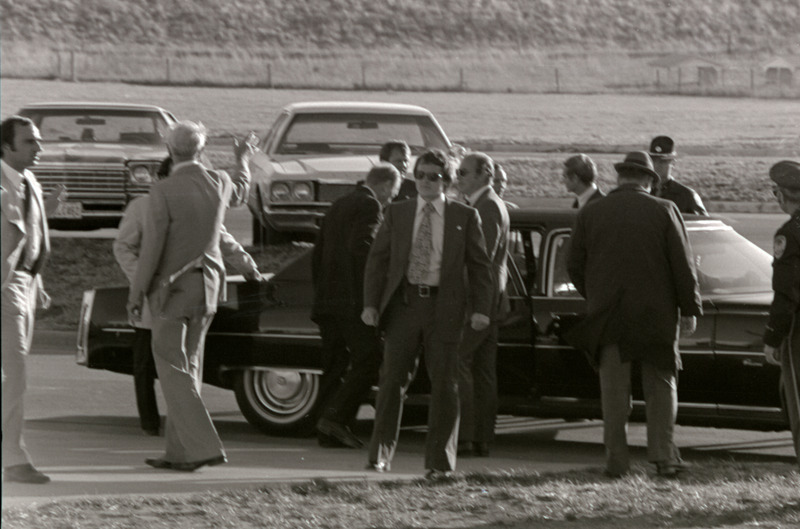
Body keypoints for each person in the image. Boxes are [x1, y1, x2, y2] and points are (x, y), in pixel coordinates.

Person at [127, 121, 256, 472]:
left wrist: (137, 293)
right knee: (189, 368)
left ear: (170, 150)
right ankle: (179, 452)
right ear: (201, 151)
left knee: (171, 368)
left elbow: (152, 249)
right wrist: (241, 158)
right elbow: (242, 190)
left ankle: (200, 447)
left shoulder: (163, 191)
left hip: (172, 290)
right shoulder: (221, 182)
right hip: (210, 288)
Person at [566, 151, 702, 478]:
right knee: (660, 387)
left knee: (614, 394)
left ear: (620, 178)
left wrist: (596, 294)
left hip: (608, 315)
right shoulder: (664, 210)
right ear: (648, 181)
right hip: (656, 315)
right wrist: (689, 307)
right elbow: (682, 266)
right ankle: (664, 458)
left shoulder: (591, 212)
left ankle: (616, 462)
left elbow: (573, 266)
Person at [361, 148, 493, 477]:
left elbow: (480, 267)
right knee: (391, 381)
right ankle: (379, 456)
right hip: (405, 305)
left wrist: (481, 309)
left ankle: (439, 463)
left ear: (446, 181)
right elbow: (377, 261)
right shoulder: (398, 212)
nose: (425, 182)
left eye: (433, 177)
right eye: (419, 175)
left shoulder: (464, 216)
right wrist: (370, 304)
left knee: (446, 385)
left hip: (444, 308)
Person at [312, 163, 402, 449]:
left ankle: (327, 428)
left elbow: (318, 252)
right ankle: (335, 419)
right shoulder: (370, 206)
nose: (390, 200)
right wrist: (373, 295)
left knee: (335, 363)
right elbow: (363, 248)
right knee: (369, 359)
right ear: (386, 186)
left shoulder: (338, 204)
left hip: (327, 299)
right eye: (393, 193)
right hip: (352, 301)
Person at [1, 116, 66, 484]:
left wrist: (36, 283)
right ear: (6, 146)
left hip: (24, 284)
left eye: (38, 141)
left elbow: (28, 232)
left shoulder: (29, 181)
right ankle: (13, 460)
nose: (38, 148)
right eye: (29, 142)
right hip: (4, 288)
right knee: (14, 375)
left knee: (10, 375)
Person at [455, 153, 510, 458]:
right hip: (489, 300)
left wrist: (474, 306)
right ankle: (480, 438)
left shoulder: (487, 206)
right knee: (482, 370)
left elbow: (480, 260)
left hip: (479, 301)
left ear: (484, 174)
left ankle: (466, 436)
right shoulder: (487, 203)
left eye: (463, 172)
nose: (458, 177)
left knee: (460, 362)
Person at [762, 160, 800, 466]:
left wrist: (773, 337)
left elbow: (786, 293)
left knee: (798, 406)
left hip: (798, 333)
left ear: (782, 194)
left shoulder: (790, 233)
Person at [649, 136, 708, 216]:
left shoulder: (687, 196)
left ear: (673, 163)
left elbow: (703, 224)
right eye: (654, 161)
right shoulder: (643, 191)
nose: (657, 165)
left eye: (662, 162)